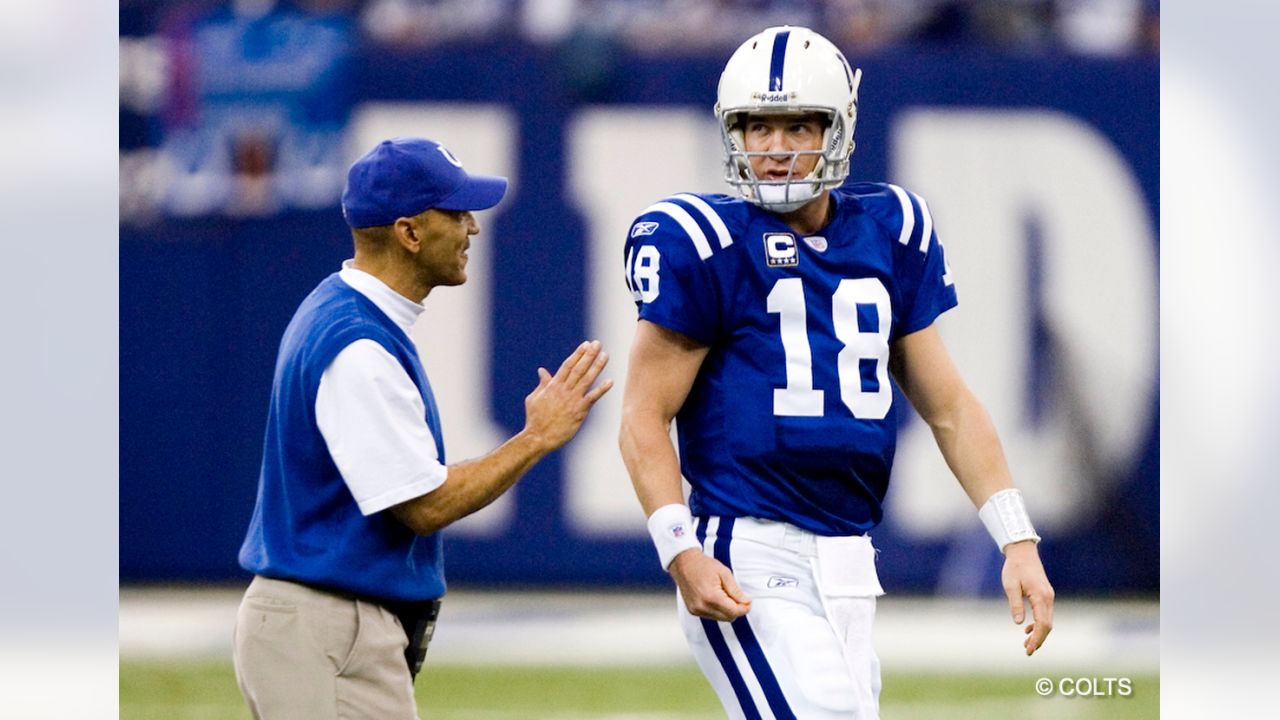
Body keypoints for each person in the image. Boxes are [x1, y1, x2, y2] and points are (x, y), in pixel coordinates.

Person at [618, 26, 1054, 719]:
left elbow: (949, 407)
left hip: (851, 559)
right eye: (757, 126)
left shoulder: (893, 228)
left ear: (841, 128)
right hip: (748, 549)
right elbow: (643, 415)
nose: (777, 146)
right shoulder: (702, 243)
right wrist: (679, 548)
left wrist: (1016, 538)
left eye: (799, 124)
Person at [233, 136, 612, 719]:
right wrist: (536, 436)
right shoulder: (357, 344)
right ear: (410, 232)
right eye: (457, 214)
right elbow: (423, 505)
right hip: (325, 628)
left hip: (321, 624)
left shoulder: (346, 315)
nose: (473, 230)